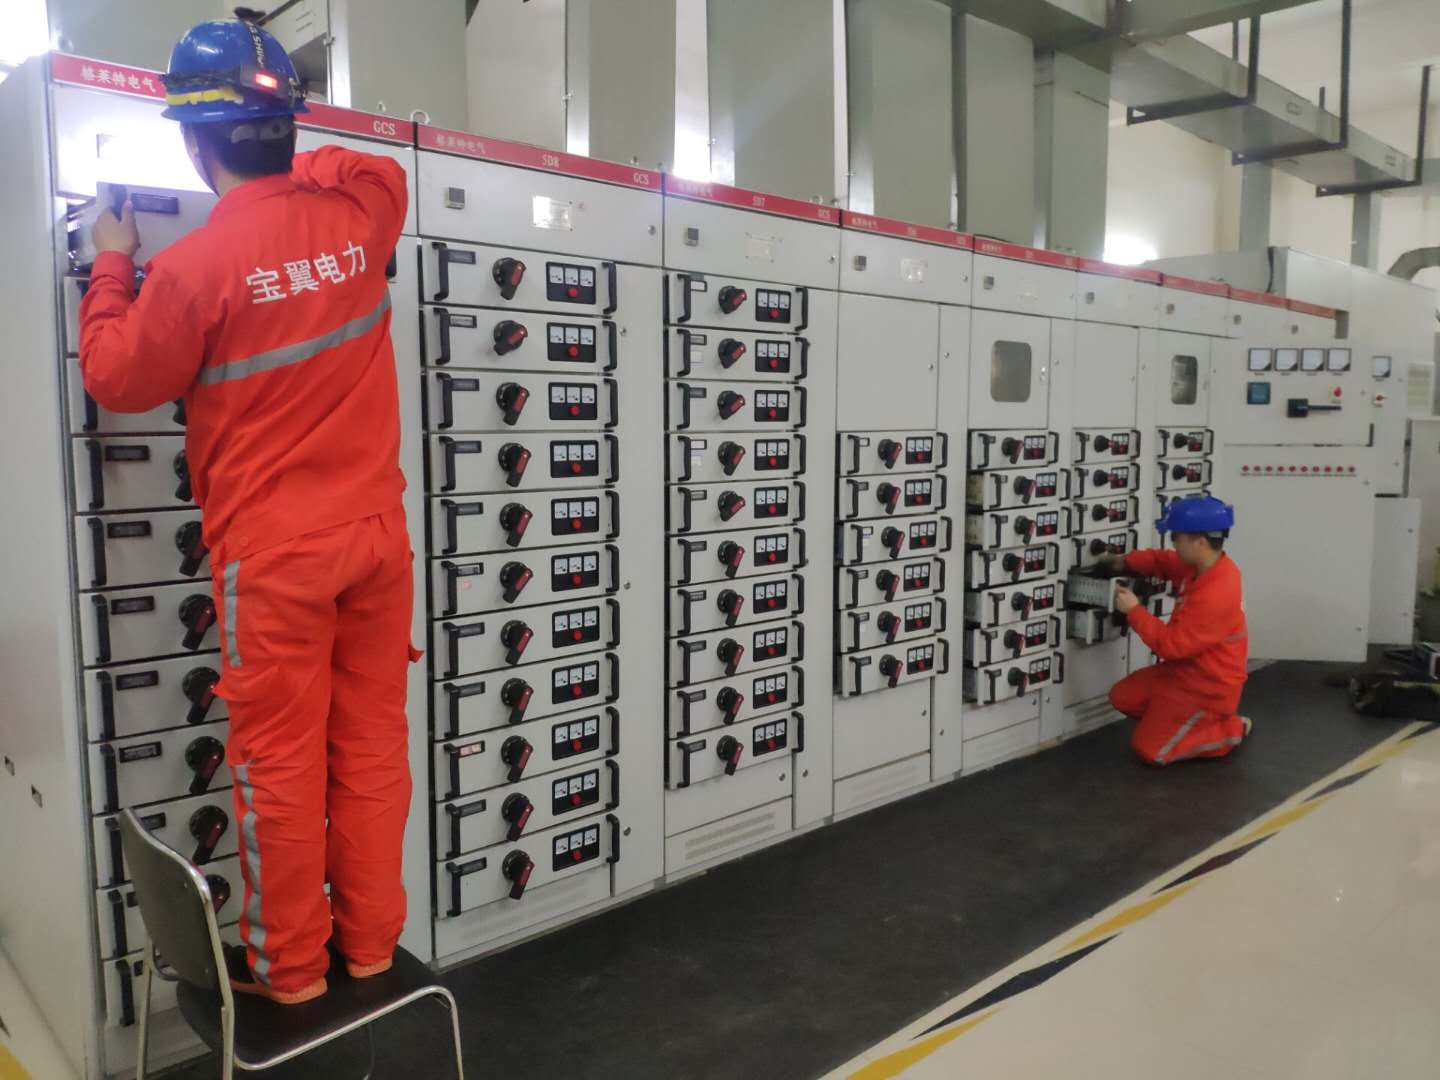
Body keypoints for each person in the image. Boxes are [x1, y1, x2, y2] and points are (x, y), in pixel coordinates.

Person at [79, 16, 414, 1005]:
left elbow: (116, 375)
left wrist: (111, 262)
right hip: (377, 541)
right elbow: (380, 171)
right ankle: (372, 947)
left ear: (195, 144)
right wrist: (295, 173)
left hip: (275, 559)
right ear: (288, 130)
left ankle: (292, 972)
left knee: (279, 767)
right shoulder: (360, 217)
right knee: (370, 748)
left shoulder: (193, 269)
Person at [1099, 495, 1251, 767]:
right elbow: (1164, 562)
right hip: (1183, 674)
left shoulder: (1217, 591)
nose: (1172, 543)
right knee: (1123, 697)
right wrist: (1125, 562)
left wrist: (1134, 611)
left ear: (1199, 542)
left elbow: (1171, 646)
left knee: (1151, 751)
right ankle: (1178, 722)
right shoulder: (1203, 566)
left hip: (1208, 688)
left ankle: (1229, 729)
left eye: (1175, 537)